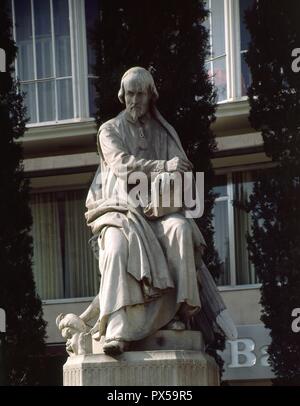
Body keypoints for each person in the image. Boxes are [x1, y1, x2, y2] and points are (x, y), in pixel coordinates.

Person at [84, 67, 237, 355]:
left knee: (180, 228)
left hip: (158, 212)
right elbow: (120, 165)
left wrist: (174, 177)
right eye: (130, 93)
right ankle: (117, 330)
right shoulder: (110, 130)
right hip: (119, 210)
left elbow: (183, 167)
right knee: (116, 248)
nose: (135, 100)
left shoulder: (163, 132)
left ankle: (178, 315)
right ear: (122, 95)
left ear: (150, 96)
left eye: (141, 94)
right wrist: (163, 167)